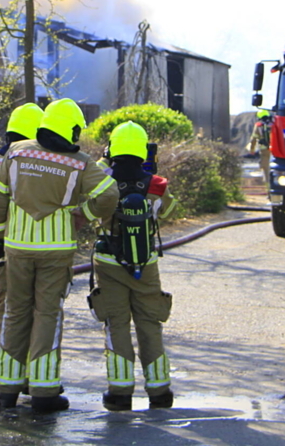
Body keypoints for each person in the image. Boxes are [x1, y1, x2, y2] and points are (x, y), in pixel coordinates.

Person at [0, 98, 119, 412]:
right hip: (56, 250)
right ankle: (44, 392)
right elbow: (109, 194)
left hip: (17, 247)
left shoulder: (17, 152)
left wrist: (1, 227)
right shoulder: (80, 162)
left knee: (14, 313)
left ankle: (6, 389)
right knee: (47, 314)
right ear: (71, 129)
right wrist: (84, 213)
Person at [90, 122, 177, 411]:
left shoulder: (102, 179)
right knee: (149, 324)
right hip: (146, 264)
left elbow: (88, 208)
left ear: (112, 148)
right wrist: (150, 172)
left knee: (116, 324)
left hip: (108, 262)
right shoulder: (156, 185)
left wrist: (104, 162)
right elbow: (169, 209)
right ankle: (160, 391)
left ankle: (119, 393)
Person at [0, 102, 44, 397]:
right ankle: (14, 378)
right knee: (18, 312)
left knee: (8, 310)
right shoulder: (22, 162)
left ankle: (4, 374)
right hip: (11, 245)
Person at [248, 109, 272, 177]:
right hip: (275, 149)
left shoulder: (258, 126)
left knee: (265, 168)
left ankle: (268, 183)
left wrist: (252, 150)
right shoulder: (273, 124)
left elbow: (253, 139)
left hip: (264, 149)